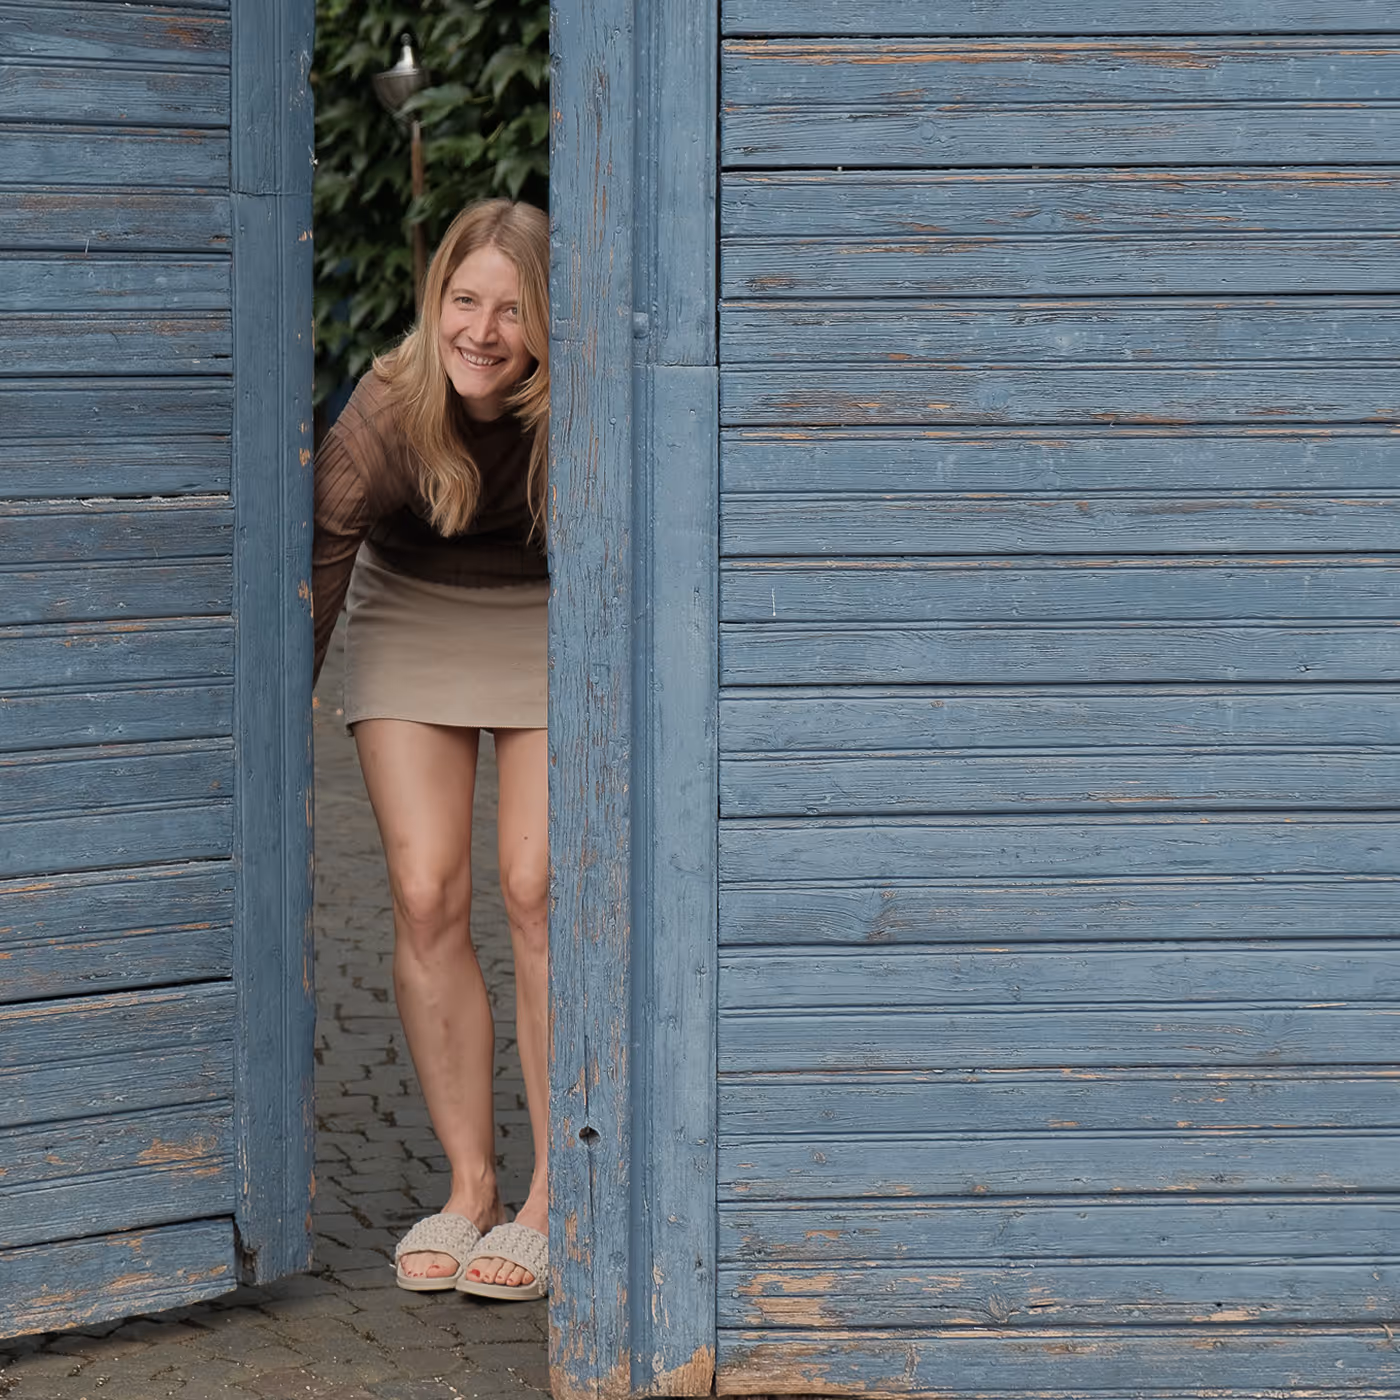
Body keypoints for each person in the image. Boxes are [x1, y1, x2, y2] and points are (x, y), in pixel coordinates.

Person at [311, 199, 551, 1301]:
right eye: (465, 300)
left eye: (512, 308)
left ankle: (559, 1192)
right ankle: (471, 1186)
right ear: (435, 300)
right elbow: (315, 575)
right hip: (407, 609)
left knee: (538, 885)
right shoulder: (384, 411)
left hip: (551, 618)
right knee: (422, 891)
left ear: (547, 322)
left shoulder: (575, 408)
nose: (483, 331)